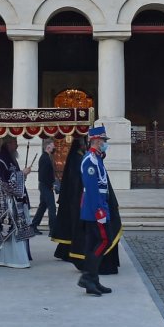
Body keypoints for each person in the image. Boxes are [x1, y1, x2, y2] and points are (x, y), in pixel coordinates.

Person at [0, 136, 37, 268]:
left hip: (12, 200)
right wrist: (22, 174)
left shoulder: (11, 159)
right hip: (2, 202)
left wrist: (22, 175)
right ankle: (0, 259)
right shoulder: (1, 160)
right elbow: (5, 182)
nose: (17, 146)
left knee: (13, 230)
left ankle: (13, 258)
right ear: (8, 144)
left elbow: (14, 178)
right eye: (15, 143)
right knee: (6, 230)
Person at [77, 126, 119, 296]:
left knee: (93, 244)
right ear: (95, 140)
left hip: (99, 207)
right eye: (103, 141)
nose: (105, 144)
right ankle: (88, 277)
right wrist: (99, 211)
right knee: (104, 241)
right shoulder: (90, 160)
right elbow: (92, 188)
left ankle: (93, 281)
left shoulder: (97, 158)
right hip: (96, 210)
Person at [52, 136, 85, 264]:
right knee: (72, 225)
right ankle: (69, 252)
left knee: (69, 226)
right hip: (74, 198)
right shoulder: (77, 158)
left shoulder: (77, 157)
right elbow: (77, 179)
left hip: (72, 196)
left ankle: (63, 251)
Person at [31, 139, 57, 233]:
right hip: (45, 186)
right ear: (48, 147)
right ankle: (53, 230)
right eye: (53, 145)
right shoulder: (45, 158)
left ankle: (33, 225)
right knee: (52, 207)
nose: (54, 147)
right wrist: (51, 185)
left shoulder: (46, 157)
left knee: (42, 206)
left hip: (44, 186)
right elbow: (43, 175)